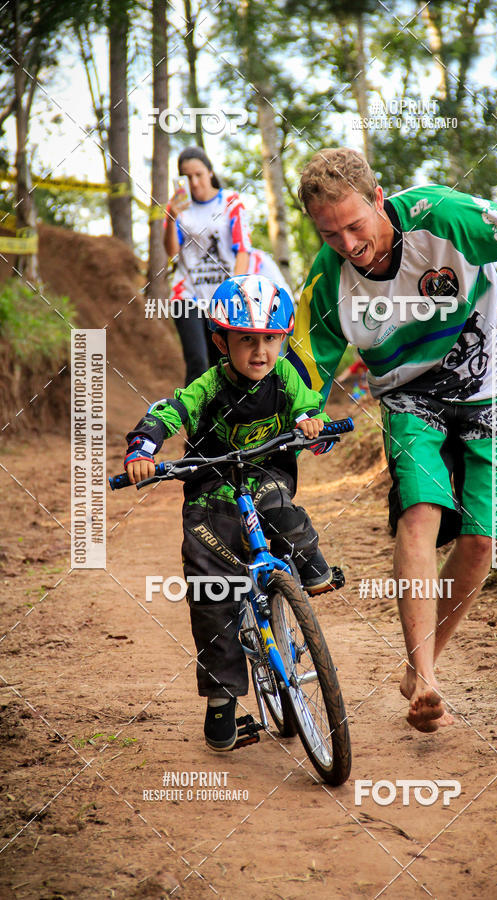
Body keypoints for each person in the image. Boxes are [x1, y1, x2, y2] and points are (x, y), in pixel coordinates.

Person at [288, 147, 497, 733]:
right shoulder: (326, 279)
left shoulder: (446, 217)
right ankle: (425, 677)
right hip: (411, 400)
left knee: (487, 543)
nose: (349, 245)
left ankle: (422, 661)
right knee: (420, 515)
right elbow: (307, 359)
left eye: (356, 226)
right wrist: (304, 416)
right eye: (330, 235)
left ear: (379, 198)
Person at [124, 274, 335, 751]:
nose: (260, 351)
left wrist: (313, 424)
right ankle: (221, 705)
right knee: (210, 585)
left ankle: (310, 569)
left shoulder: (285, 376)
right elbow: (170, 409)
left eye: (270, 339)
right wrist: (143, 446)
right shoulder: (209, 384)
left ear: (282, 339)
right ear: (220, 341)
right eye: (246, 340)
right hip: (211, 489)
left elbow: (308, 409)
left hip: (267, 475)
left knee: (281, 512)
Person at [163, 147, 252, 385]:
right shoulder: (179, 209)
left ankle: (222, 421)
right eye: (187, 176)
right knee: (198, 363)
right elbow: (172, 251)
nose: (194, 182)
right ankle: (195, 422)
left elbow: (243, 250)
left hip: (223, 296)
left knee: (223, 364)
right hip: (187, 296)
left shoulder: (231, 202)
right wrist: (171, 215)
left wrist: (234, 291)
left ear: (210, 172)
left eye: (199, 174)